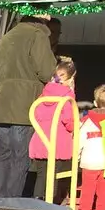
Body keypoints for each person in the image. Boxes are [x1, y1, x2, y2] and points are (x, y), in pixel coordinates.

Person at [0, 13, 56, 198]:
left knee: (3, 154)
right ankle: (12, 205)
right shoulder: (38, 35)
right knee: (20, 157)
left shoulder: (8, 36)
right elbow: (46, 71)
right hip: (24, 104)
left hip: (3, 102)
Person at [28, 57, 78, 202]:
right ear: (71, 78)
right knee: (53, 175)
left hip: (41, 139)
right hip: (57, 140)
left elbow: (36, 113)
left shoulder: (45, 92)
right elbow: (68, 119)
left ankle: (36, 204)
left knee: (41, 174)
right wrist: (73, 128)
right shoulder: (67, 95)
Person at [77, 85, 105, 210]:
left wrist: (76, 156)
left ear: (95, 103)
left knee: (87, 190)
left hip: (89, 160)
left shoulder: (87, 121)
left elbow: (79, 140)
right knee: (104, 190)